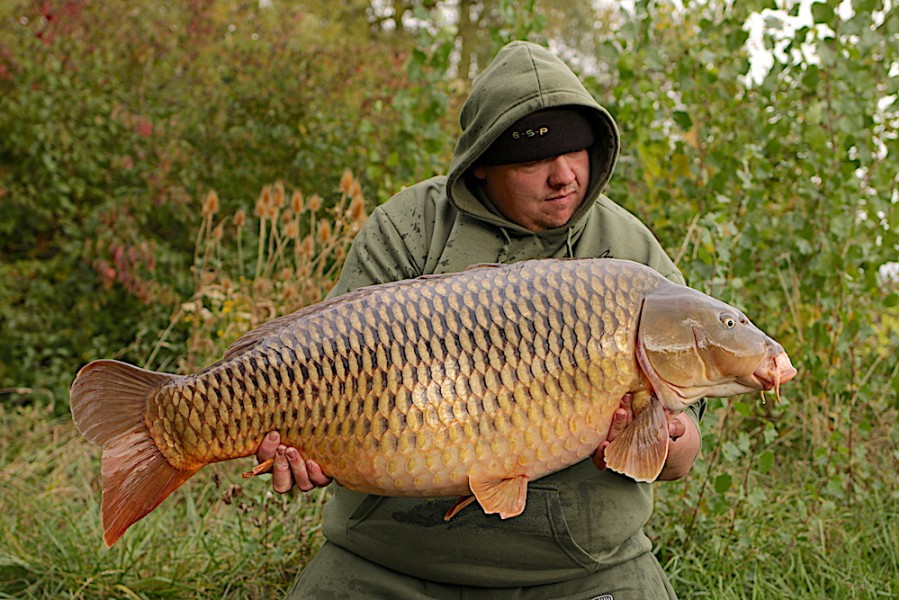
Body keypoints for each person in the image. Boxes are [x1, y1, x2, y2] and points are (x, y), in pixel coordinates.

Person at [257, 40, 702, 599]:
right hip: (389, 560)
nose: (564, 175)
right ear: (484, 163)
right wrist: (313, 447)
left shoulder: (630, 255)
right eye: (535, 156)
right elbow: (326, 367)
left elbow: (682, 456)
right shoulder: (409, 229)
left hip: (582, 569)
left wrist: (664, 436)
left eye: (578, 149)